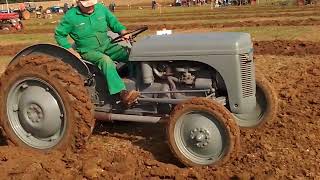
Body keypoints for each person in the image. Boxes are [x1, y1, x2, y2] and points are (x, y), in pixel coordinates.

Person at [55, 0, 140, 107]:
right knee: (106, 61)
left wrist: (123, 32)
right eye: (87, 5)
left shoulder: (101, 8)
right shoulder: (71, 16)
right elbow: (59, 35)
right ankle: (122, 94)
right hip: (88, 51)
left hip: (107, 45)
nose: (91, 7)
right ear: (79, 3)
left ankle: (138, 82)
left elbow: (113, 22)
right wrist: (71, 51)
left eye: (92, 4)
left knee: (132, 55)